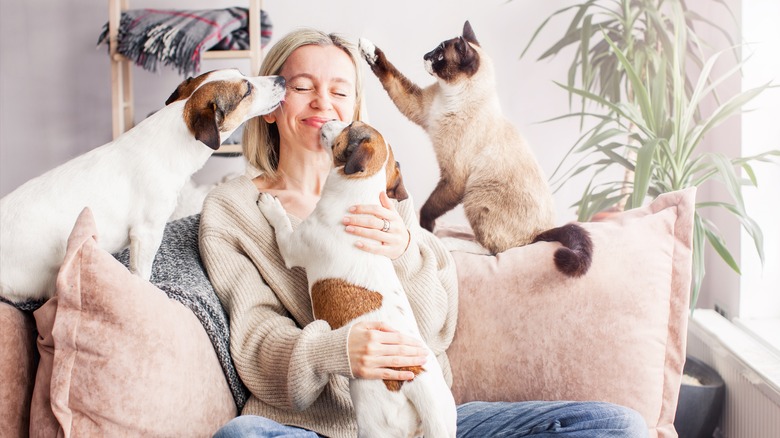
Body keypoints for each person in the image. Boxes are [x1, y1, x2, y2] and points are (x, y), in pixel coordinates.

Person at [199, 28, 647, 438]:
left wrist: (406, 248)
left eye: (339, 91)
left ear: (355, 111)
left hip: (424, 422)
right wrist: (338, 351)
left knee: (617, 426)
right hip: (316, 430)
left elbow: (436, 329)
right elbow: (256, 346)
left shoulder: (385, 192)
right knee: (242, 437)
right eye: (301, 88)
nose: (322, 103)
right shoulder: (232, 210)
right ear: (272, 104)